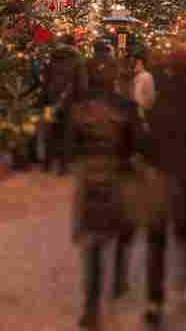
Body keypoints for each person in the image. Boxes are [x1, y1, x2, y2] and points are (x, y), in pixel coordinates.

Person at [141, 46, 186, 330]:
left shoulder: (161, 100)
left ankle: (154, 303)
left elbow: (150, 140)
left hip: (163, 178)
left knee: (156, 243)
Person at [67, 56, 140, 330]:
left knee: (93, 243)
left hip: (90, 177)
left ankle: (91, 308)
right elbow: (138, 143)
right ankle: (119, 279)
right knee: (123, 228)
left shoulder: (79, 107)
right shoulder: (127, 107)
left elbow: (69, 147)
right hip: (118, 175)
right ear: (114, 78)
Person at [43, 35, 85, 175]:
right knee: (67, 133)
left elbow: (46, 80)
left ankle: (47, 163)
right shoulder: (77, 60)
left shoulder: (52, 58)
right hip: (69, 101)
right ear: (73, 45)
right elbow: (81, 84)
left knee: (49, 130)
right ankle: (63, 166)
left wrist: (46, 98)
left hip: (50, 101)